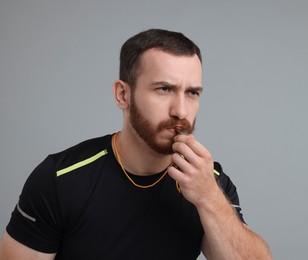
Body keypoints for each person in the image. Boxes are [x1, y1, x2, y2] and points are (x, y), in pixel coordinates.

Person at [0, 29, 272, 259]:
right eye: (164, 89)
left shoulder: (209, 183)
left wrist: (209, 198)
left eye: (192, 93)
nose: (181, 110)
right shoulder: (59, 179)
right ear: (122, 95)